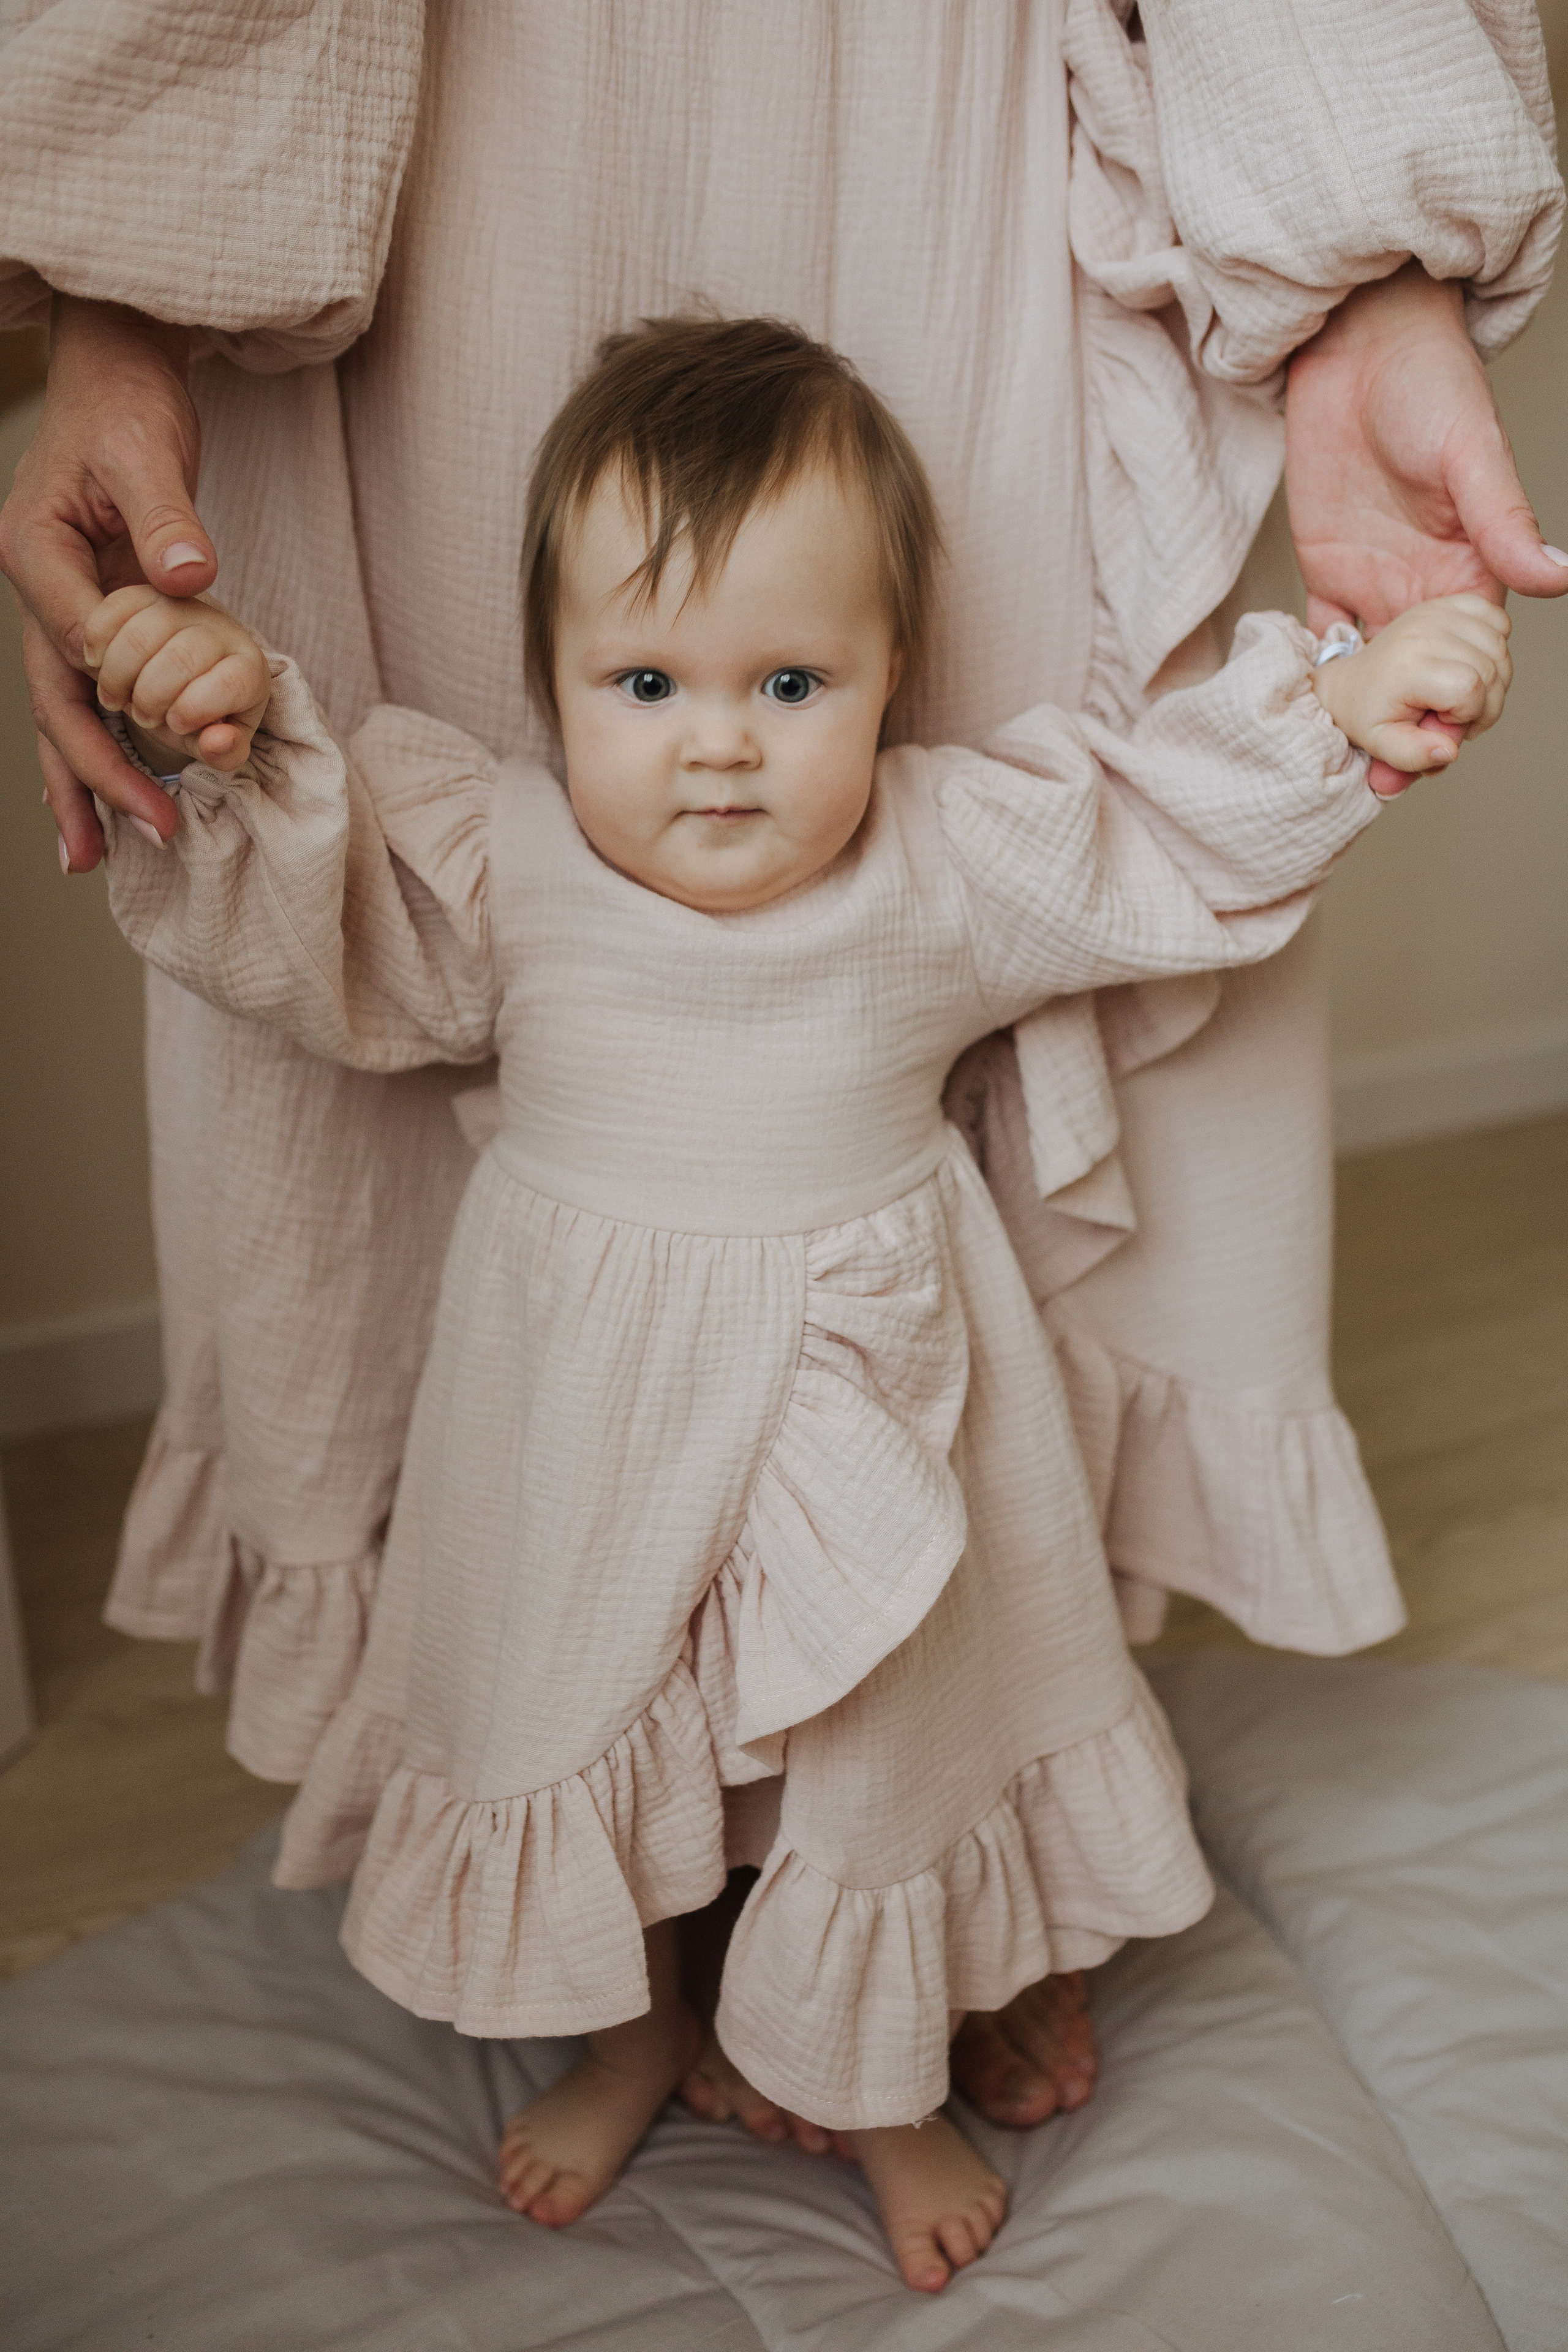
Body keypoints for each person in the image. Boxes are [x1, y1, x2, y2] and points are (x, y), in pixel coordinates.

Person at [0, 0, 1562, 2138]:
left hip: (884, 1384)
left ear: (893, 681)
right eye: (646, 680)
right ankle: (637, 2023)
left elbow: (1150, 826)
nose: (719, 736)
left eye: (791, 679)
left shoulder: (935, 847)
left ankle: (888, 2064)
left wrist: (1354, 700)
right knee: (588, 1684)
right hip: (574, 1396)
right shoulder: (502, 852)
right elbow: (312, 906)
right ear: (545, 687)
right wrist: (221, 707)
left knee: (897, 1713)